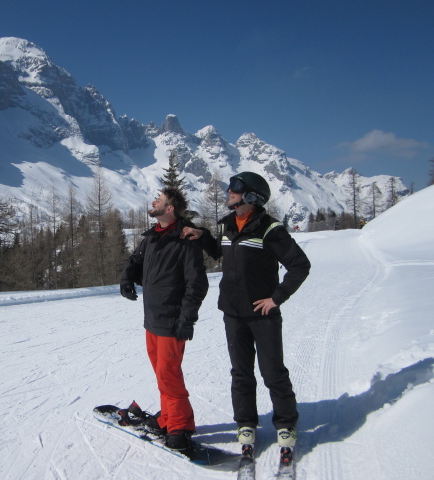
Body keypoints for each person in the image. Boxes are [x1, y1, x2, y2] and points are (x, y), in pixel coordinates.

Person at [181, 172, 310, 458]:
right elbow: (220, 252)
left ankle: (286, 424)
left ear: (252, 196)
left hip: (262, 315)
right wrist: (202, 235)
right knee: (240, 373)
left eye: (236, 188)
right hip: (232, 313)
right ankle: (246, 423)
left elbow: (300, 265)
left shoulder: (269, 229)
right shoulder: (228, 226)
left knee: (273, 372)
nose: (229, 191)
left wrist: (276, 298)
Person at [120, 187, 209, 450]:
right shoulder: (151, 237)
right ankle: (168, 418)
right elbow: (134, 260)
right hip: (152, 319)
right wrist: (127, 278)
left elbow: (197, 283)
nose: (153, 201)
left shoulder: (184, 239)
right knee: (162, 375)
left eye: (158, 200)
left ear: (169, 209)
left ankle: (180, 426)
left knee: (169, 375)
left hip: (171, 321)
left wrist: (187, 319)